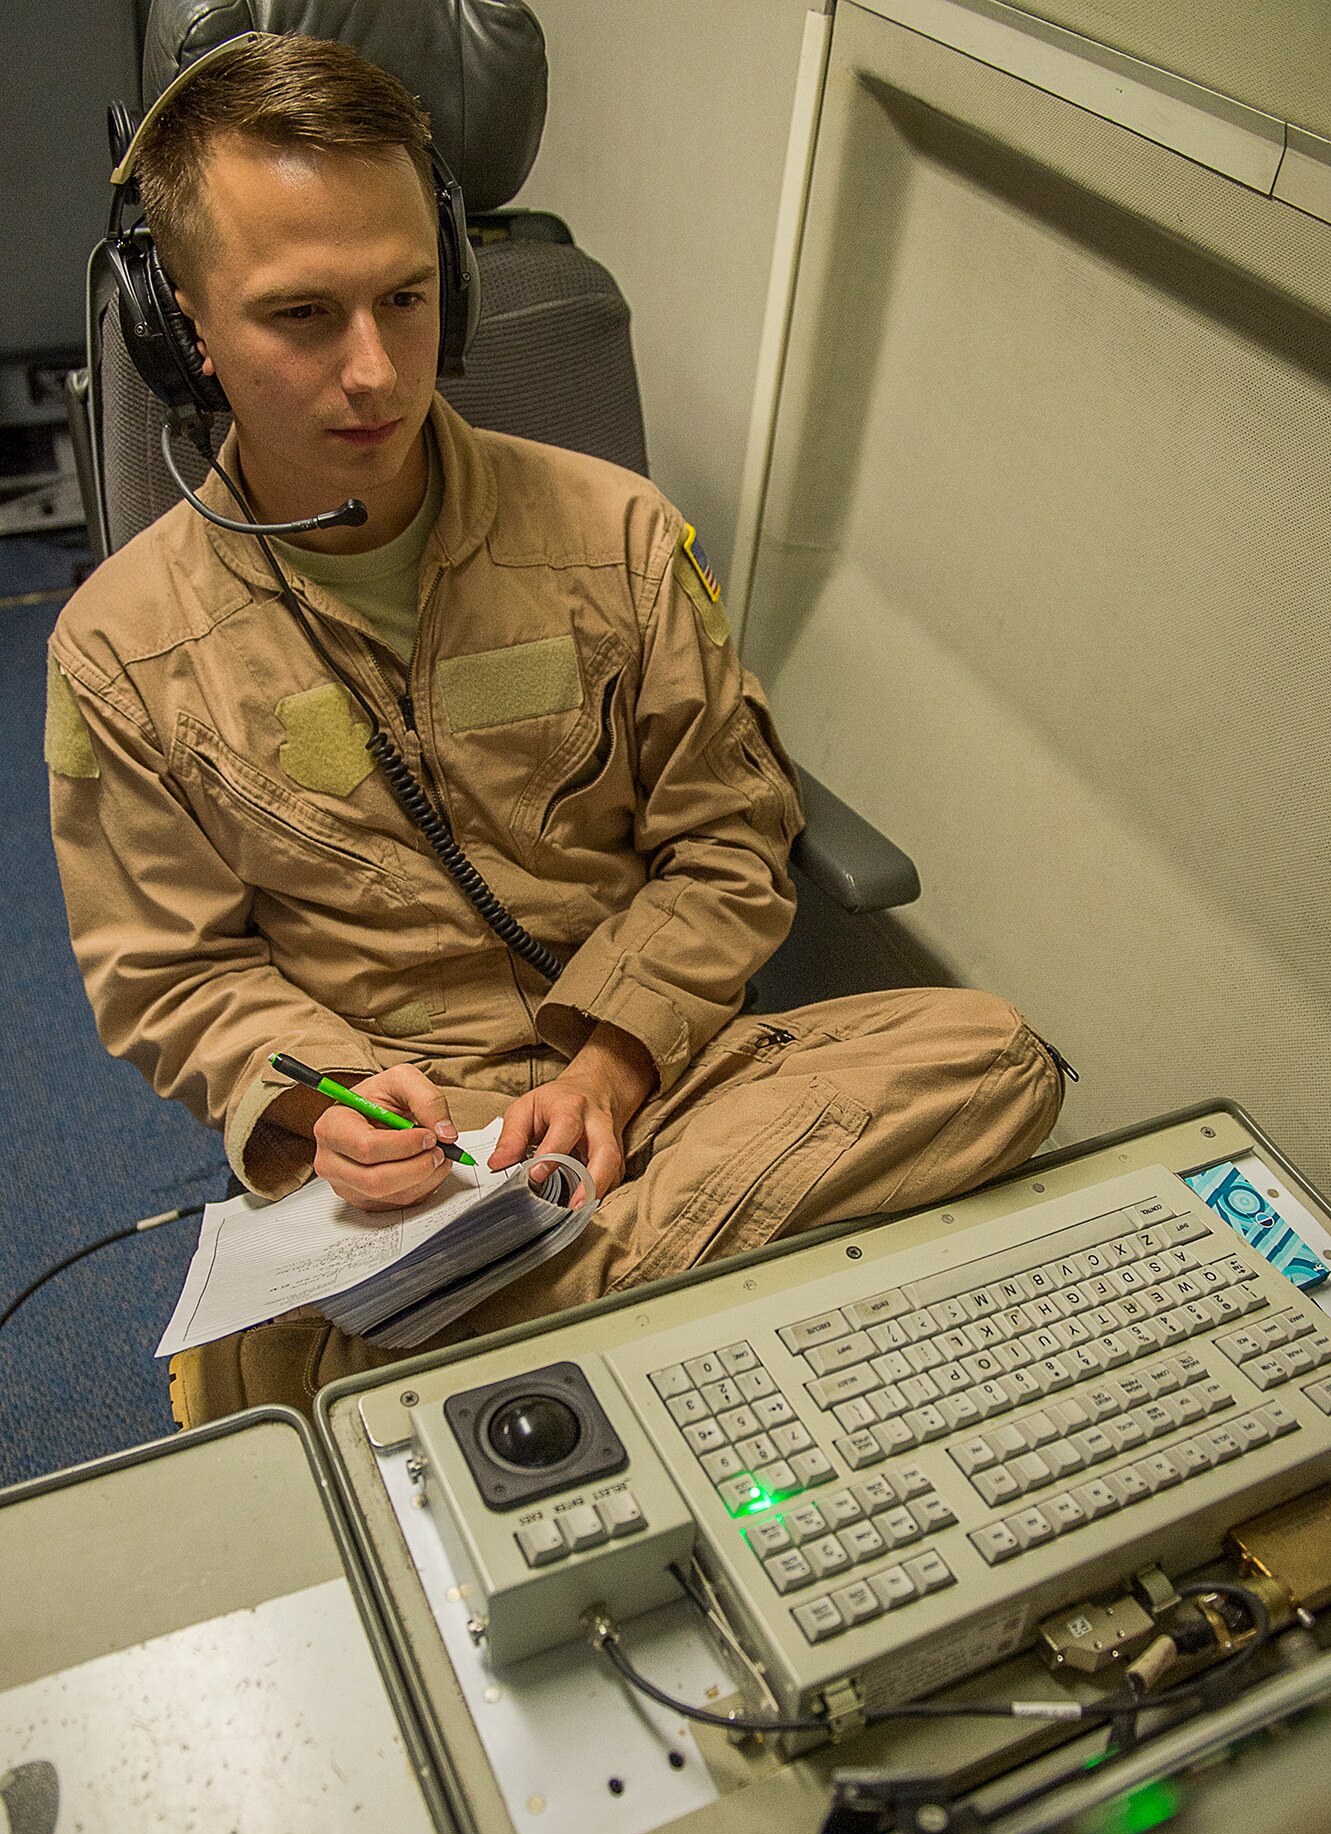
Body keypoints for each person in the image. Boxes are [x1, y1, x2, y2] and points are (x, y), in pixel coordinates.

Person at [47, 34, 1064, 1425]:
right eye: (300, 316)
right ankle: (615, 1315)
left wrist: (614, 1061)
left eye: (406, 298)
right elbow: (172, 978)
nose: (374, 374)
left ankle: (406, 1355)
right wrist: (331, 1105)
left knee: (994, 1055)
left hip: (664, 1087)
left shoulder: (617, 535)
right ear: (184, 323)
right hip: (406, 1159)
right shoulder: (117, 644)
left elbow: (727, 840)